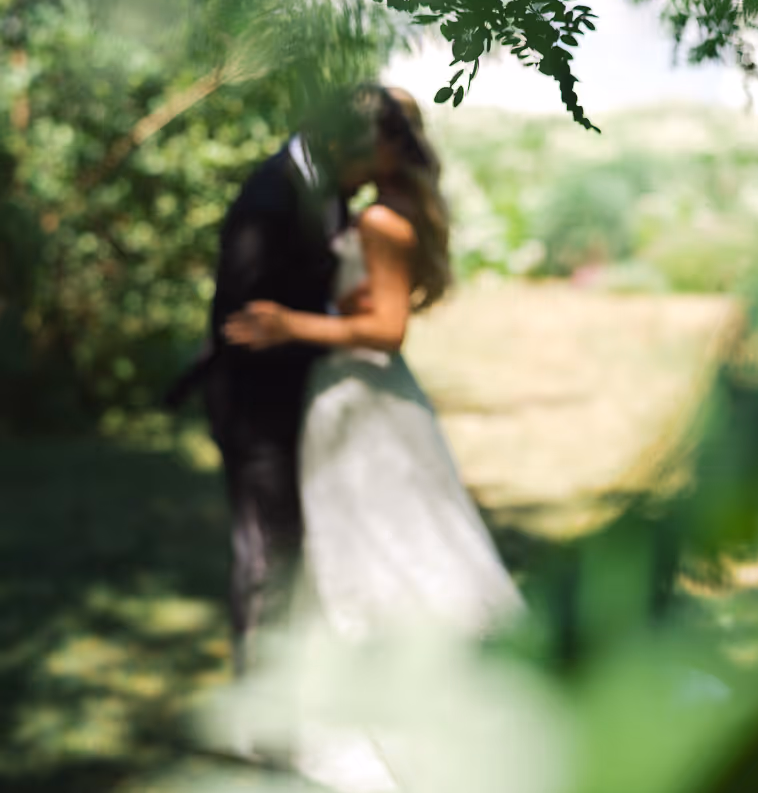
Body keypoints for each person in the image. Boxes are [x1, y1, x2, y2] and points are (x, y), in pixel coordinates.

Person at [224, 86, 522, 647]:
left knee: (374, 535)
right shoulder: (391, 211)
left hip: (360, 389)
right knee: (389, 530)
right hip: (365, 390)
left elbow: (387, 330)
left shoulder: (382, 220)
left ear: (388, 146)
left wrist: (292, 324)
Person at [170, 88, 380, 674]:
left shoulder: (321, 184)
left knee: (299, 544)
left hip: (304, 397)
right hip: (257, 405)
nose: (370, 180)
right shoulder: (272, 195)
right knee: (271, 551)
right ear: (339, 145)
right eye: (368, 161)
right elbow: (247, 319)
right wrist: (333, 329)